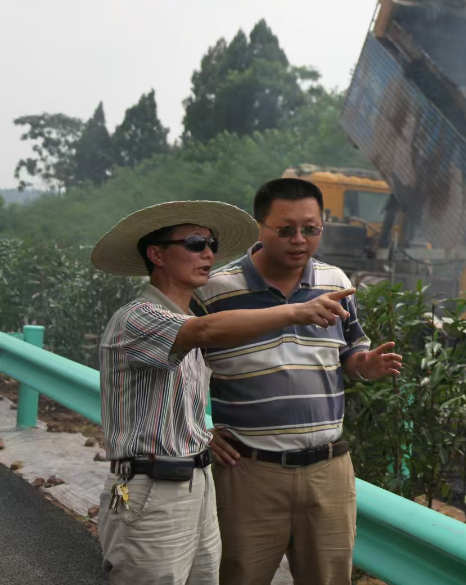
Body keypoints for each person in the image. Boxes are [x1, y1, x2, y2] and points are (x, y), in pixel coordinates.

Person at [92, 201, 358, 585]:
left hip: (197, 485)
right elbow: (204, 333)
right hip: (153, 492)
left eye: (211, 244)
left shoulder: (188, 323)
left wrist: (204, 434)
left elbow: (182, 396)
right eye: (195, 243)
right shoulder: (139, 318)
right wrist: (295, 312)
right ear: (157, 254)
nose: (208, 254)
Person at [194, 179, 402, 585]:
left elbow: (349, 352)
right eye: (285, 230)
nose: (299, 240)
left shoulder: (335, 281)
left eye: (311, 229)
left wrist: (364, 364)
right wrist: (199, 430)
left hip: (328, 470)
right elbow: (177, 373)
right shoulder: (216, 291)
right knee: (237, 575)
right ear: (260, 227)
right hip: (248, 472)